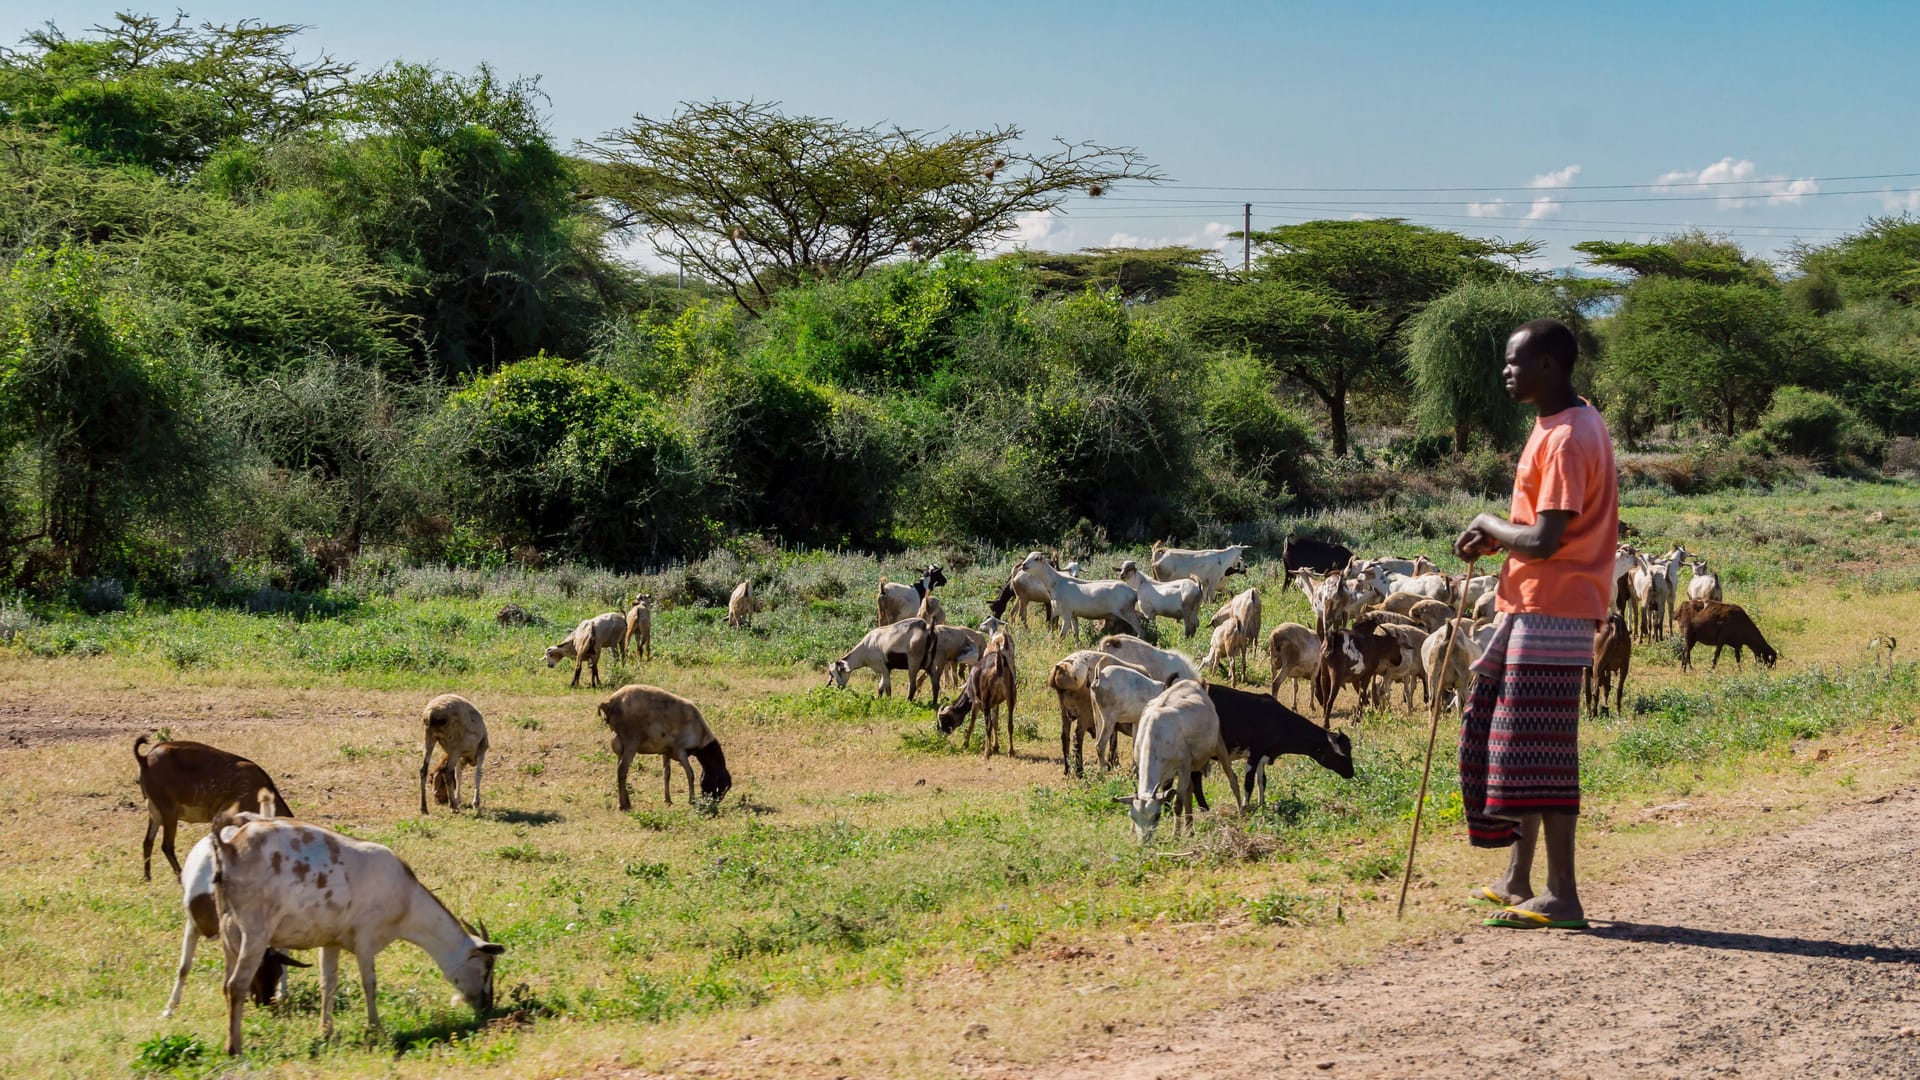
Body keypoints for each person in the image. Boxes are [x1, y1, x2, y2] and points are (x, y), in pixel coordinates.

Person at [1453, 317, 1617, 930]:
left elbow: (1548, 540)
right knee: (1507, 743)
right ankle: (1519, 879)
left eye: (1515, 362)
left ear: (1549, 365)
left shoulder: (1571, 436)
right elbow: (1544, 529)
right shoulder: (1554, 425)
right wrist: (1497, 544)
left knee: (1541, 750)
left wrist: (1489, 523)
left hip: (1558, 603)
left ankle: (1563, 895)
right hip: (1528, 601)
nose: (1506, 372)